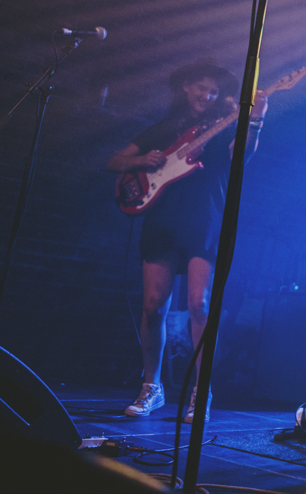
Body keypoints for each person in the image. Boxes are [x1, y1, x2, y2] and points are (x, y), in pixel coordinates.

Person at [108, 59, 267, 423]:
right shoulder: (166, 127)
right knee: (152, 305)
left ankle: (201, 392)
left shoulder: (223, 124)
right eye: (201, 88)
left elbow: (241, 157)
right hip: (164, 218)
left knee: (200, 305)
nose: (207, 95)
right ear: (186, 88)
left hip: (205, 217)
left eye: (213, 91)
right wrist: (147, 159)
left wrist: (255, 119)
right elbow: (114, 161)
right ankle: (153, 387)